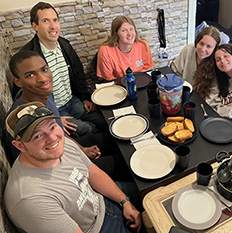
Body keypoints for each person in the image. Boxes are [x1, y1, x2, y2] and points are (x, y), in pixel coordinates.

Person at [4, 102, 142, 233]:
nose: (52, 138)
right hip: (95, 229)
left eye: (52, 126)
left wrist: (125, 202)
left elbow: (93, 173)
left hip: (100, 201)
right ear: (20, 146)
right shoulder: (31, 199)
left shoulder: (61, 144)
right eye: (38, 135)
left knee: (152, 191)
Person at [2, 50, 119, 179]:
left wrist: (82, 150)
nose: (42, 79)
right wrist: (81, 158)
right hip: (60, 172)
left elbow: (60, 135)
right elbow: (35, 168)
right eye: (30, 75)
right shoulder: (22, 122)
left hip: (66, 148)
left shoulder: (44, 94)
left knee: (116, 138)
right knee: (121, 163)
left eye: (44, 70)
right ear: (18, 82)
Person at [21, 2, 107, 137]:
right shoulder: (28, 56)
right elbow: (26, 97)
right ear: (35, 26)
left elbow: (79, 73)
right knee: (88, 130)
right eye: (45, 21)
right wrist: (53, 119)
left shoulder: (64, 45)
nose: (53, 26)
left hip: (73, 100)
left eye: (55, 20)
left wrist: (85, 98)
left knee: (104, 121)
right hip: (55, 111)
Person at [96, 15, 154, 81]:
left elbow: (146, 69)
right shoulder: (105, 50)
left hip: (140, 82)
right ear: (116, 34)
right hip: (120, 85)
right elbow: (109, 79)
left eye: (131, 29)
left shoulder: (142, 44)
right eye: (124, 30)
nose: (129, 34)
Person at [171, 26, 221, 98]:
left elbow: (213, 94)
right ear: (197, 41)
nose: (203, 49)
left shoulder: (217, 62)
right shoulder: (188, 50)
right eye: (201, 43)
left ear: (215, 49)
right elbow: (175, 71)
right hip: (182, 93)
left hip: (203, 100)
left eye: (208, 46)